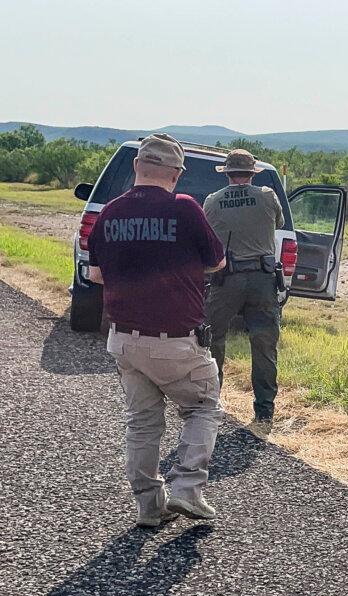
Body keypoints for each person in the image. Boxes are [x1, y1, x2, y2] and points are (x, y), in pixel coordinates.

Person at [86, 134, 226, 526]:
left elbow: (96, 274)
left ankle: (150, 505)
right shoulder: (185, 209)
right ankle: (187, 490)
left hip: (124, 340)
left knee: (143, 422)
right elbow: (216, 261)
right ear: (176, 174)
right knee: (202, 407)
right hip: (177, 339)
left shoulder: (109, 213)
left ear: (136, 166)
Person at [203, 149, 285, 427]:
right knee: (263, 343)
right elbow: (279, 223)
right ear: (252, 173)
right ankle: (264, 409)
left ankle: (210, 401)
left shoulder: (213, 201)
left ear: (227, 174)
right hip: (262, 279)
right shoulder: (267, 196)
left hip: (226, 279)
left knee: (213, 340)